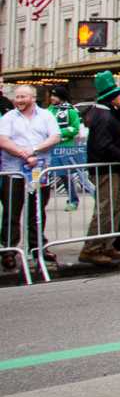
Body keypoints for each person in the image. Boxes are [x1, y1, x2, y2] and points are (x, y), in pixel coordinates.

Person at [0, 85, 62, 271]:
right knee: (12, 210)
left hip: (39, 171)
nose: (19, 100)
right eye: (17, 97)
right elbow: (3, 140)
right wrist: (24, 154)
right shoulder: (9, 117)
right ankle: (9, 250)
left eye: (23, 97)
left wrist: (35, 150)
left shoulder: (46, 116)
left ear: (33, 98)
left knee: (37, 210)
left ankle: (38, 247)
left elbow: (55, 136)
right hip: (14, 171)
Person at [79, 72, 120, 266]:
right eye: (119, 95)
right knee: (106, 208)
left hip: (114, 167)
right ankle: (91, 248)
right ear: (112, 97)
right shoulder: (103, 116)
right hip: (105, 169)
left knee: (115, 207)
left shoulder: (109, 113)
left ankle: (107, 244)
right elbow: (104, 145)